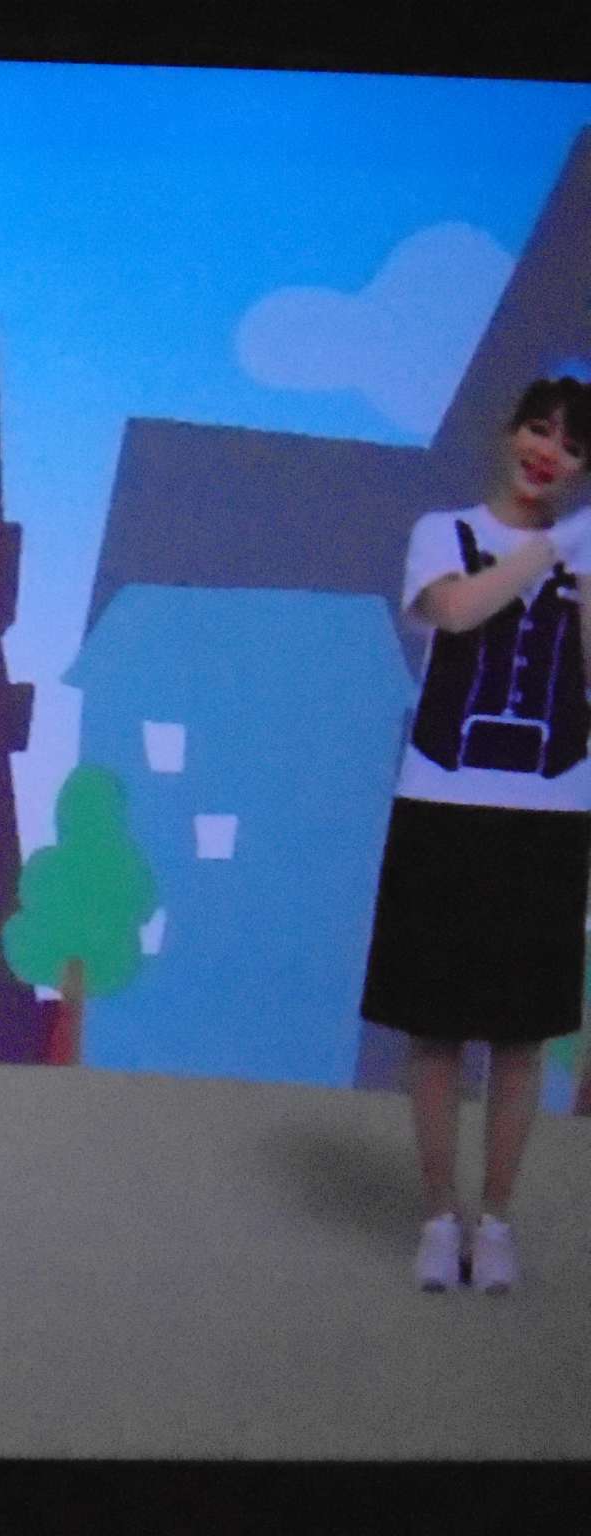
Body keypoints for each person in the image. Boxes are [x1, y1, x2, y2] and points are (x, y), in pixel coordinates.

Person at [361, 376, 591, 1293]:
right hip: (442, 803)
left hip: (551, 811)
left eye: (571, 445)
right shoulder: (442, 531)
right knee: (436, 1027)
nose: (548, 453)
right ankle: (437, 1216)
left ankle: (495, 1221)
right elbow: (453, 613)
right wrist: (542, 555)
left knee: (522, 1034)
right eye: (539, 429)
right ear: (509, 433)